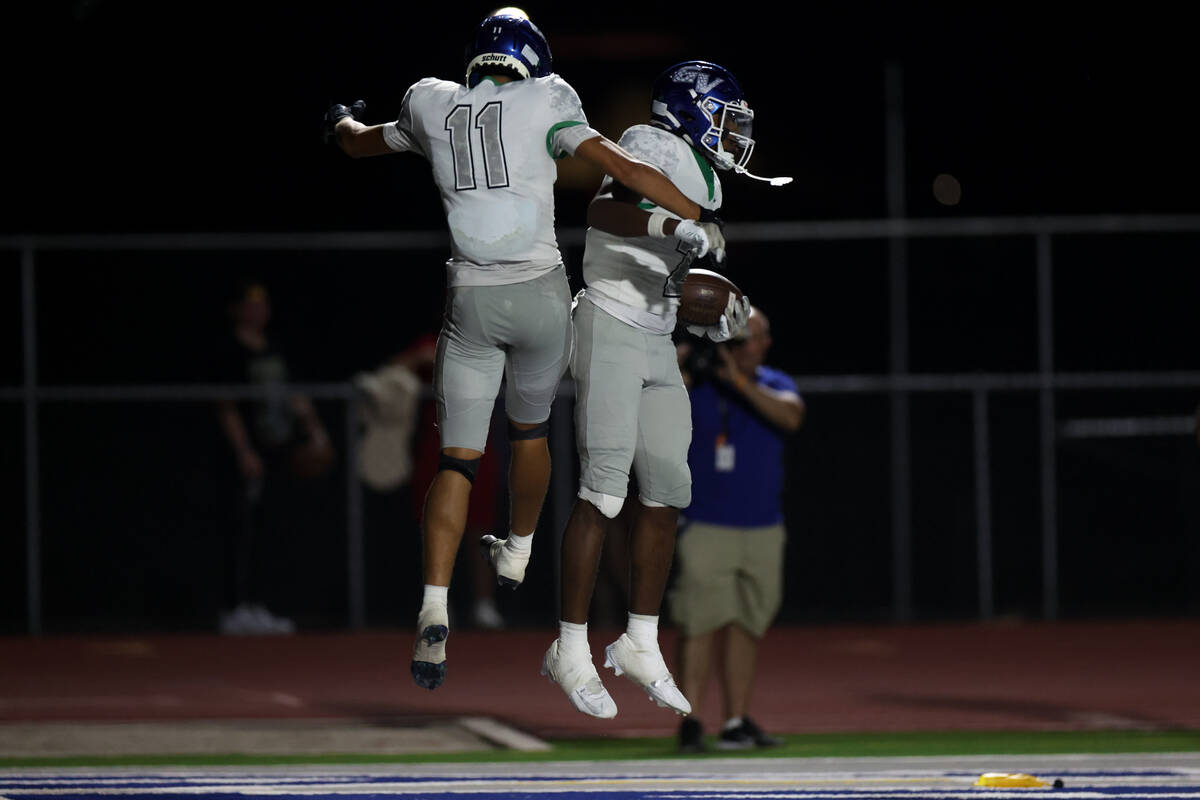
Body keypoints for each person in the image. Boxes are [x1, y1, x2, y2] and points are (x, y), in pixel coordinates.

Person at [324, 9, 722, 691]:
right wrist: (692, 218)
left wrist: (337, 122)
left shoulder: (430, 101)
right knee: (530, 431)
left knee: (457, 460)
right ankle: (519, 550)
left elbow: (360, 143)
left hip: (469, 298)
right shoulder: (550, 97)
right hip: (539, 293)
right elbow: (619, 165)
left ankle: (435, 601)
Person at [540, 60, 791, 720]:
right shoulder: (653, 143)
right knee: (603, 490)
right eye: (729, 121)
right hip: (609, 317)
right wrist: (674, 228)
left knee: (668, 491)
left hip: (653, 331)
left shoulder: (701, 177)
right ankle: (569, 647)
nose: (738, 136)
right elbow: (606, 211)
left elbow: (668, 278)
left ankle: (641, 641)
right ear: (695, 112)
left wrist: (708, 319)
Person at [670, 306, 804, 751]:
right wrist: (679, 365)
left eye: (764, 337)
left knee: (749, 624)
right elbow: (653, 404)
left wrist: (739, 382)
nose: (762, 345)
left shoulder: (773, 382)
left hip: (765, 526)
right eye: (753, 338)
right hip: (707, 524)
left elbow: (791, 418)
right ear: (730, 341)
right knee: (699, 625)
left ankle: (736, 721)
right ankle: (690, 722)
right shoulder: (700, 384)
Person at [214, 279, 334, 635]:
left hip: (279, 449)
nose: (258, 311)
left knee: (270, 528)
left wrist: (316, 431)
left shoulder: (275, 348)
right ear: (235, 310)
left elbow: (294, 395)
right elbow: (227, 407)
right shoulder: (229, 350)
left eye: (262, 304)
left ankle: (259, 605)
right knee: (242, 529)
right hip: (249, 452)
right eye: (250, 304)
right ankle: (235, 607)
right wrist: (244, 451)